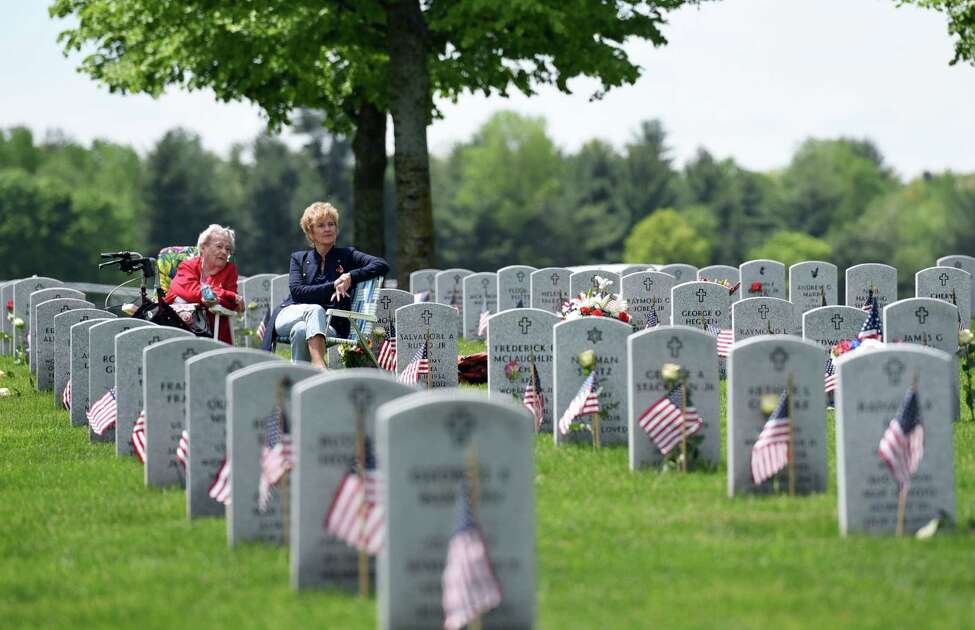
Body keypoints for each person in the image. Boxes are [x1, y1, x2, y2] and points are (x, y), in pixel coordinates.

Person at [262, 202, 388, 368]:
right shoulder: (298, 258)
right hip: (289, 314)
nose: (328, 229)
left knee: (301, 330)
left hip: (330, 325)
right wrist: (333, 285)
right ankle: (320, 365)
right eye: (321, 225)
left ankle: (301, 381)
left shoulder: (347, 255)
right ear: (311, 232)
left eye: (331, 224)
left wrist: (351, 276)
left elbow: (381, 264)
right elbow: (298, 292)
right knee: (315, 309)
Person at [164, 224, 243, 343]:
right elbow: (192, 293)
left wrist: (219, 298)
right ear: (203, 248)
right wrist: (227, 295)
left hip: (215, 331)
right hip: (177, 326)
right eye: (219, 246)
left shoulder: (230, 270)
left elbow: (232, 304)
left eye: (228, 249)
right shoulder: (187, 266)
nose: (224, 252)